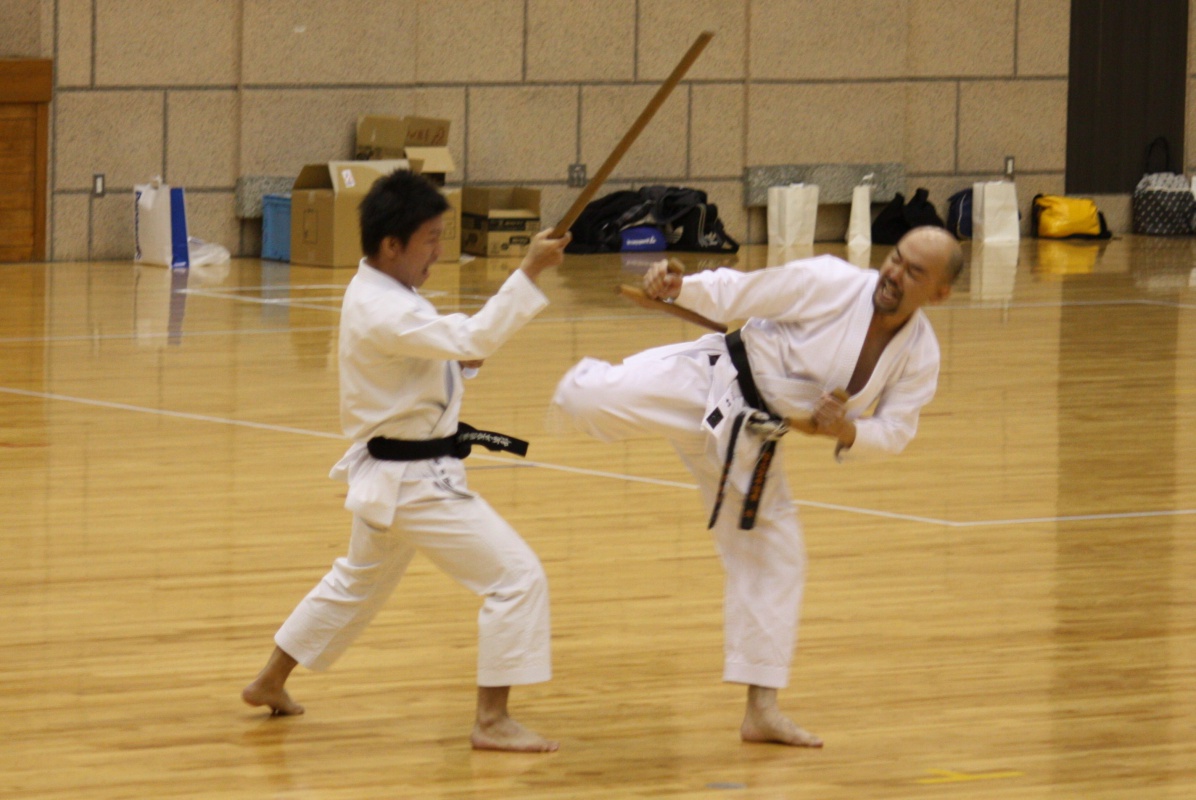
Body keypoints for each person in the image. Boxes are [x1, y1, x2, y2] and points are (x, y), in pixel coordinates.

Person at [550, 226, 963, 747]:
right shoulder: (831, 282)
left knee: (776, 558)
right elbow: (743, 290)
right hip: (709, 382)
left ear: (939, 293)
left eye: (913, 272)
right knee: (582, 398)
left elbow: (897, 430)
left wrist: (844, 430)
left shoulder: (920, 353)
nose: (894, 274)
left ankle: (761, 711)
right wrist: (679, 287)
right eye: (895, 259)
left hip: (753, 439)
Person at [243, 170, 571, 753]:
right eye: (431, 239)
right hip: (414, 482)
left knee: (356, 581)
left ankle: (271, 679)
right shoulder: (382, 306)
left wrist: (457, 363)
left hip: (391, 477)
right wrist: (528, 272)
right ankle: (492, 721)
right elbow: (469, 337)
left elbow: (433, 352)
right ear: (391, 244)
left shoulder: (384, 291)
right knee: (517, 579)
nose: (439, 252)